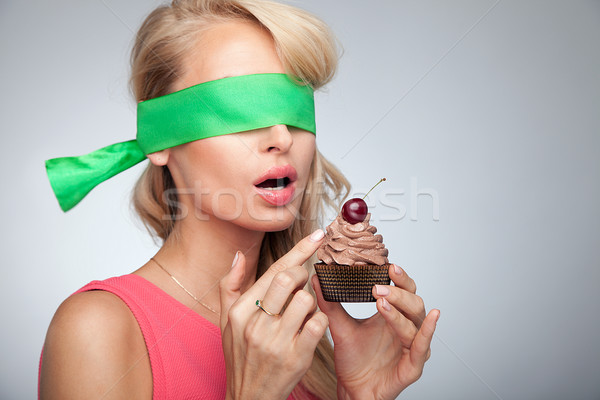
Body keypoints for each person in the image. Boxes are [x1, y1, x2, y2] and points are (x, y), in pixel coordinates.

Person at [39, 0, 440, 399]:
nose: (282, 139)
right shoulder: (97, 331)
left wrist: (356, 397)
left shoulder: (305, 333)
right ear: (159, 136)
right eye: (240, 110)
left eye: (294, 107)